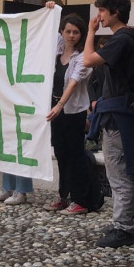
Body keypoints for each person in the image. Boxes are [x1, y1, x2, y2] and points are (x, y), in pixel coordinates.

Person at [84, 0, 134, 248]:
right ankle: (127, 220)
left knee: (118, 173)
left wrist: (90, 31)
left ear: (115, 12)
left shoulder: (121, 39)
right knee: (125, 171)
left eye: (101, 11)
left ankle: (123, 227)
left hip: (119, 116)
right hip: (122, 113)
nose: (98, 16)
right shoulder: (130, 37)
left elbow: (87, 60)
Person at [45, 13, 98, 214]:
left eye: (76, 32)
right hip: (56, 110)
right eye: (68, 31)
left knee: (75, 154)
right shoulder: (58, 51)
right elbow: (47, 28)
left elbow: (74, 83)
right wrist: (51, 10)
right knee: (61, 153)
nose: (71, 35)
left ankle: (80, 199)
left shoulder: (82, 58)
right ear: (62, 32)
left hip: (72, 111)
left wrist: (59, 106)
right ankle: (63, 196)